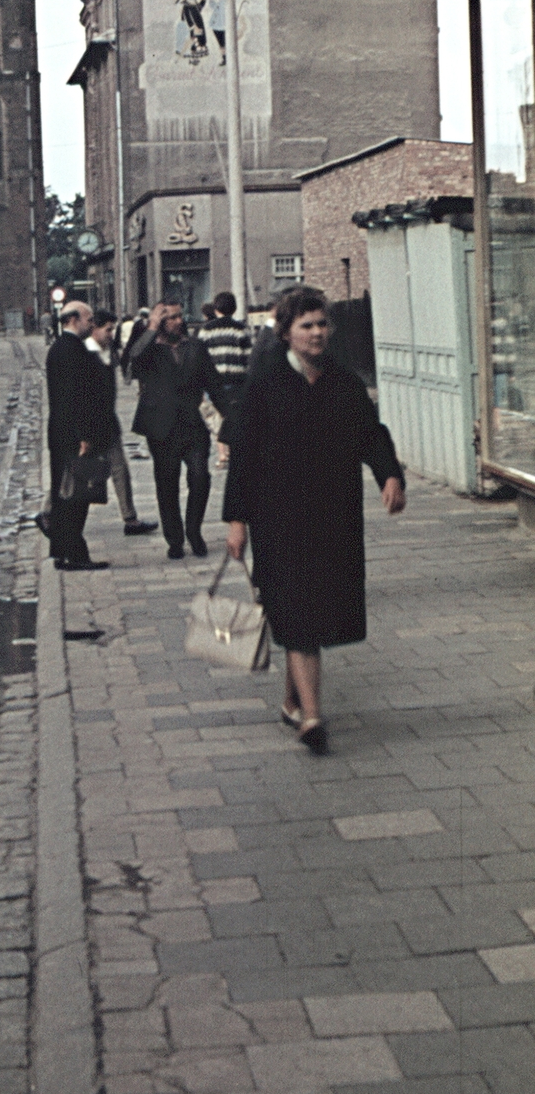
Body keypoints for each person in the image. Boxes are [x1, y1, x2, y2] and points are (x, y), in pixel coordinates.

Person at [223, 286, 406, 755]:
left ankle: (291, 702)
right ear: (286, 332)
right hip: (277, 518)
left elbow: (371, 433)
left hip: (332, 517)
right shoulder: (264, 384)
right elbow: (242, 455)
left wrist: (389, 475)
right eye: (307, 325)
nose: (318, 332)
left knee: (309, 611)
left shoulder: (343, 382)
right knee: (300, 614)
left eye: (322, 324)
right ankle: (312, 717)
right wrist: (236, 521)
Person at [128, 301, 228, 559]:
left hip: (191, 424)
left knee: (200, 477)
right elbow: (133, 361)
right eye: (171, 317)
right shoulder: (149, 347)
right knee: (166, 483)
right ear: (160, 322)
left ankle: (194, 530)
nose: (178, 321)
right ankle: (174, 538)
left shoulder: (194, 346)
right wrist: (150, 327)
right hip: (160, 427)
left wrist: (230, 415)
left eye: (179, 316)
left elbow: (214, 383)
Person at [46, 300, 111, 572]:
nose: (91, 323)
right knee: (76, 498)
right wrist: (84, 436)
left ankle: (62, 552)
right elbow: (75, 397)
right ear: (73, 319)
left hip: (61, 431)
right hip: (73, 435)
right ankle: (75, 554)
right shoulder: (71, 350)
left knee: (63, 494)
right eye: (88, 318)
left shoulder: (59, 348)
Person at [84, 310, 157, 537]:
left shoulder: (108, 351)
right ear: (94, 328)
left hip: (108, 423)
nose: (111, 333)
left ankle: (130, 519)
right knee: (76, 473)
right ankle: (49, 512)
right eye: (108, 329)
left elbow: (130, 357)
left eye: (112, 329)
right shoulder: (84, 352)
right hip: (90, 426)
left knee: (120, 470)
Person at [200, 291, 254, 466]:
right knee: (233, 416)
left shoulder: (206, 330)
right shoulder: (241, 329)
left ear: (216, 309)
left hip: (213, 382)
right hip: (237, 381)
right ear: (234, 308)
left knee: (216, 418)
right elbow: (249, 357)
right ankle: (232, 452)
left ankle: (222, 454)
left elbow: (199, 357)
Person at [120, 308, 151, 379]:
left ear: (141, 315)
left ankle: (142, 385)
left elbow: (133, 337)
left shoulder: (138, 324)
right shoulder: (151, 323)